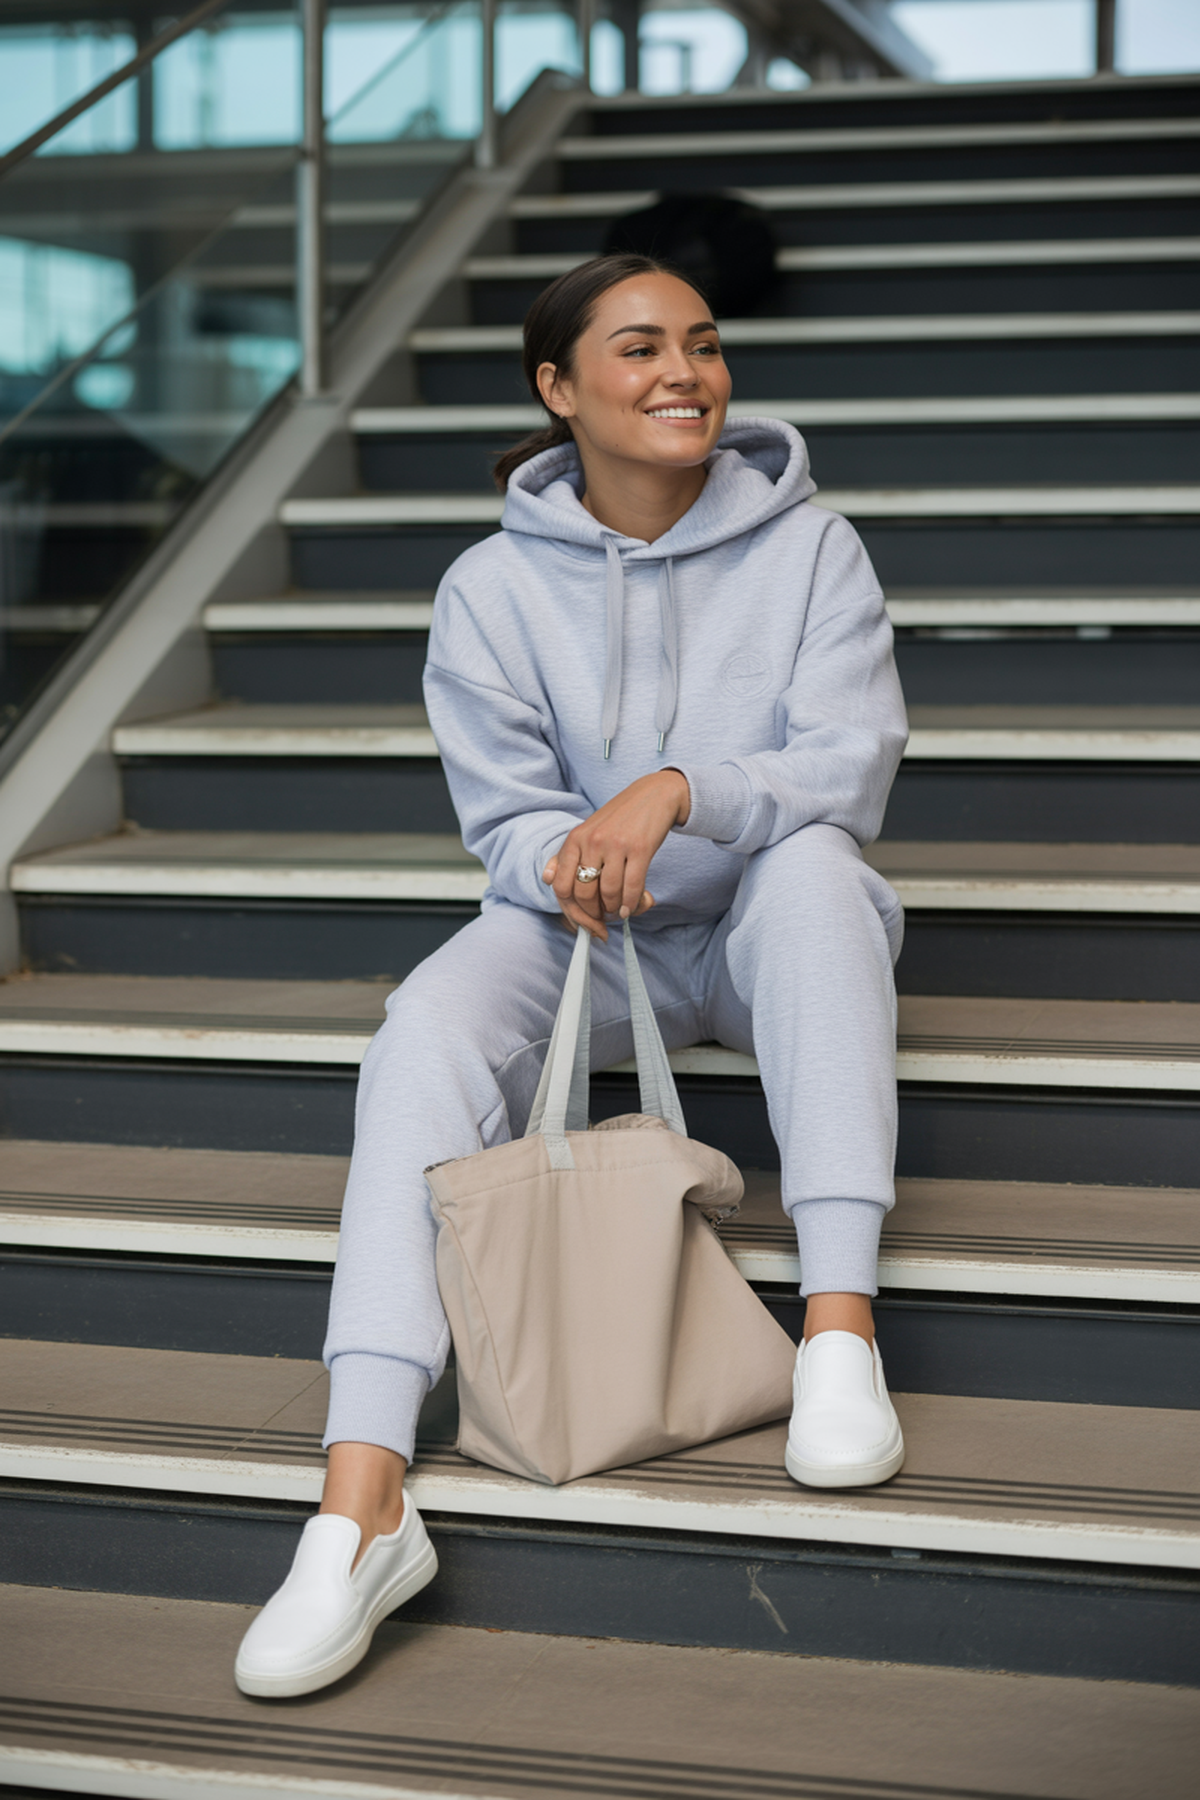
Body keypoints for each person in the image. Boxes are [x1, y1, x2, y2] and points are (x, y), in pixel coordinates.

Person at [235, 253, 909, 1699]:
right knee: (424, 1025)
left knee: (817, 873)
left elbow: (849, 763)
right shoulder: (489, 586)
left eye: (706, 345)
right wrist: (575, 859)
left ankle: (838, 1333)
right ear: (558, 389)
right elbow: (503, 816)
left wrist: (676, 787)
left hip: (757, 937)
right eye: (642, 349)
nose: (687, 373)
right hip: (583, 939)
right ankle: (362, 1500)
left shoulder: (812, 549)